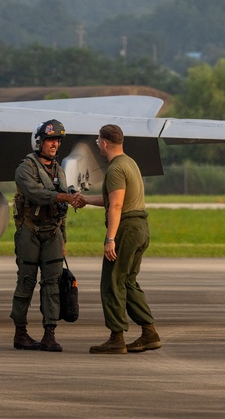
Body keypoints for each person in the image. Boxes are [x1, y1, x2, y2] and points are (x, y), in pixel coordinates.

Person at [81, 124, 162, 354]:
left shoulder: (115, 169)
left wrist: (110, 239)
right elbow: (113, 199)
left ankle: (116, 338)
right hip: (140, 227)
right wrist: (84, 200)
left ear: (105, 143)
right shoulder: (129, 163)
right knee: (127, 282)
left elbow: (116, 205)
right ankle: (149, 333)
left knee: (112, 282)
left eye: (98, 140)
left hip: (126, 228)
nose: (97, 144)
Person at [10, 119, 83, 352]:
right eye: (51, 140)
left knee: (52, 284)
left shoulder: (58, 170)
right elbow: (36, 193)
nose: (54, 145)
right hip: (29, 231)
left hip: (53, 232)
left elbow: (61, 208)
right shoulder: (25, 168)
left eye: (58, 141)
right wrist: (63, 197)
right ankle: (20, 333)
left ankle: (49, 334)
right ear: (39, 141)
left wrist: (63, 237)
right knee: (26, 282)